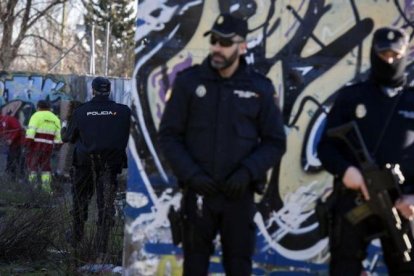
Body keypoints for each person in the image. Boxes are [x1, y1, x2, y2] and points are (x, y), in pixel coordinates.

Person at [158, 13, 286, 276]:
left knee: (239, 266)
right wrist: (192, 175)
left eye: (225, 42)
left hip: (239, 198)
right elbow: (169, 136)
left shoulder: (259, 87)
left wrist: (247, 172)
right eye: (214, 40)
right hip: (199, 196)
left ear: (242, 46)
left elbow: (275, 142)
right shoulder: (189, 82)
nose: (217, 47)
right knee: (194, 266)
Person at [317, 27, 414, 275]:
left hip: (403, 205)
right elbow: (326, 148)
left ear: (406, 54)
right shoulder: (352, 97)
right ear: (373, 54)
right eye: (383, 55)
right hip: (355, 201)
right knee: (344, 267)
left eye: (395, 55)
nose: (390, 61)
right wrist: (346, 170)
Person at [63, 76, 130, 257]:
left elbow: (68, 137)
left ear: (93, 90)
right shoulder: (123, 111)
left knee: (80, 199)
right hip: (111, 164)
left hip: (85, 163)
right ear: (109, 90)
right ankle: (102, 245)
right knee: (106, 204)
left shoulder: (81, 111)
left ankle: (77, 236)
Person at [25, 100, 62, 192]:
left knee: (33, 168)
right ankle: (46, 190)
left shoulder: (36, 115)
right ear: (49, 107)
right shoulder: (55, 118)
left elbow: (30, 132)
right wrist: (57, 147)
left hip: (35, 147)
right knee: (46, 169)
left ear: (38, 107)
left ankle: (33, 189)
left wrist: (27, 145)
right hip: (48, 149)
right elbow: (58, 137)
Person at [0, 113, 24, 179]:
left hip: (18, 144)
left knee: (16, 160)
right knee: (10, 160)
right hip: (11, 146)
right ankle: (11, 176)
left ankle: (19, 177)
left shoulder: (8, 119)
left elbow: (17, 129)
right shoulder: (2, 121)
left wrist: (11, 139)